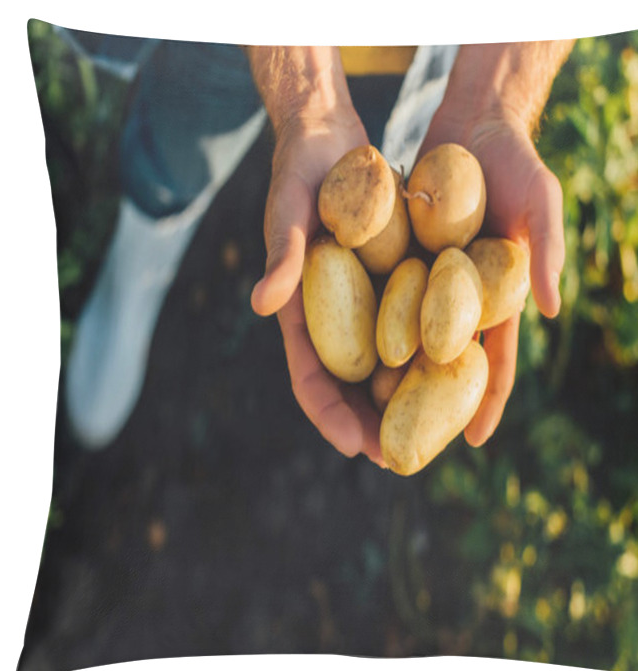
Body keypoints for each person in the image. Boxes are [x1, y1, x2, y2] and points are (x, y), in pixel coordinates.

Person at [58, 29, 573, 461]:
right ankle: (145, 250)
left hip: (437, 34)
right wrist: (304, 85)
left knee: (385, 153)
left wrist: (500, 86)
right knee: (181, 147)